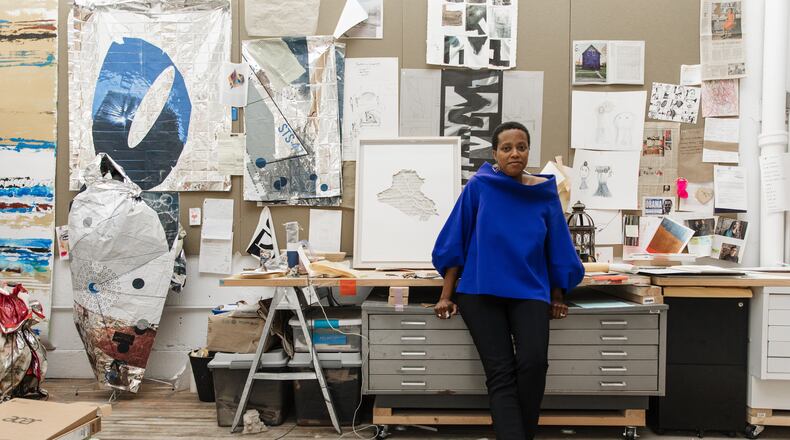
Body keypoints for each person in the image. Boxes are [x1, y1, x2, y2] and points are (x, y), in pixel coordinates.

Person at [432, 121, 585, 440]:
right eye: (507, 148)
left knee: (534, 364)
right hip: (479, 291)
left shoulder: (545, 193)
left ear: (528, 151)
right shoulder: (480, 186)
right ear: (495, 153)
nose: (515, 153)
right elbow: (456, 240)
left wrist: (557, 295)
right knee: (500, 372)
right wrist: (446, 295)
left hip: (529, 290)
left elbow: (557, 247)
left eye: (521, 147)